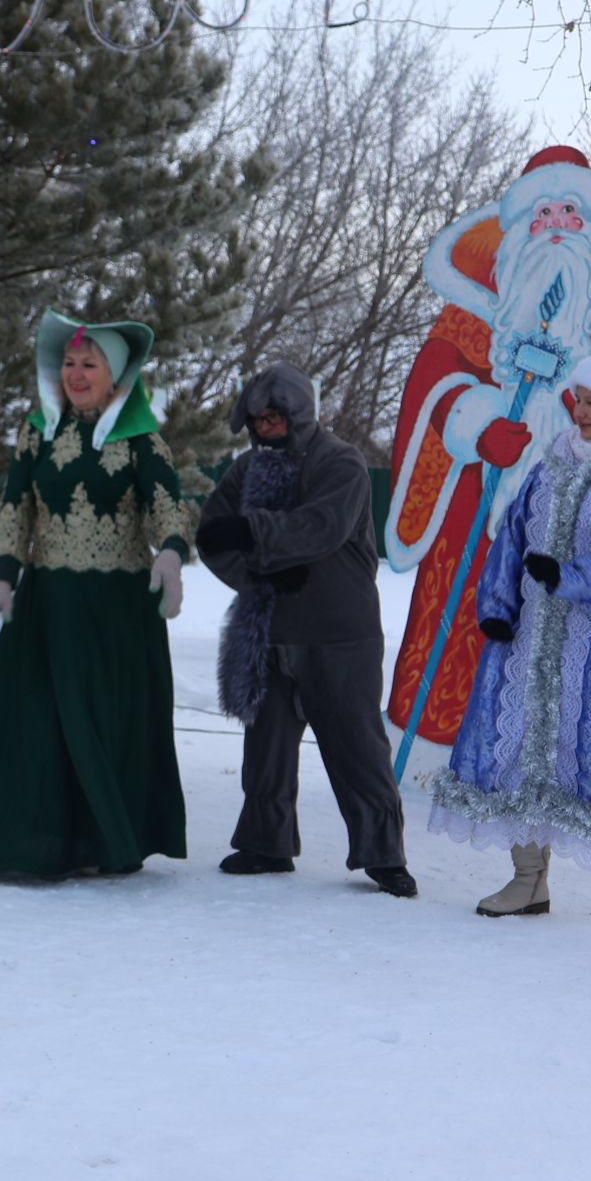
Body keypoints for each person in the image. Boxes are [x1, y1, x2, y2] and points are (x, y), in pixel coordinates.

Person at [385, 147, 591, 746]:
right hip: (478, 506)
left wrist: (582, 412)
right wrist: (477, 420)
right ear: (517, 231)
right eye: (544, 213)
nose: (559, 225)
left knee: (560, 649)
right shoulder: (471, 316)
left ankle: (548, 755)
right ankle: (444, 739)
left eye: (572, 211)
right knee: (465, 611)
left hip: (577, 519)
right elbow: (436, 378)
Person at [429, 344, 591, 945]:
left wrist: (570, 578)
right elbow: (511, 540)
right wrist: (498, 607)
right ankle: (528, 881)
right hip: (530, 642)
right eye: (578, 398)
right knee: (523, 754)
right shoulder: (550, 466)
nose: (578, 410)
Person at [0, 311, 189, 876]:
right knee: (36, 721)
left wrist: (170, 554)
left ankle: (104, 841)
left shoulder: (140, 437)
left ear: (115, 374)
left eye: (89, 363)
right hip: (46, 604)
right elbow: (14, 507)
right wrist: (1, 578)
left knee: (102, 723)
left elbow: (168, 503)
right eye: (69, 362)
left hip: (117, 611)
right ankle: (30, 842)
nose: (75, 372)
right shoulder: (37, 430)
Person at [196, 362, 417, 897]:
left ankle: (383, 855)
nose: (266, 426)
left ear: (300, 414)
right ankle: (265, 844)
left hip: (340, 633)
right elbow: (212, 539)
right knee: (266, 748)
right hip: (268, 632)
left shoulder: (340, 461)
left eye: (275, 416)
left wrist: (254, 532)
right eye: (257, 418)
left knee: (357, 748)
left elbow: (321, 528)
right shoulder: (245, 470)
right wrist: (256, 573)